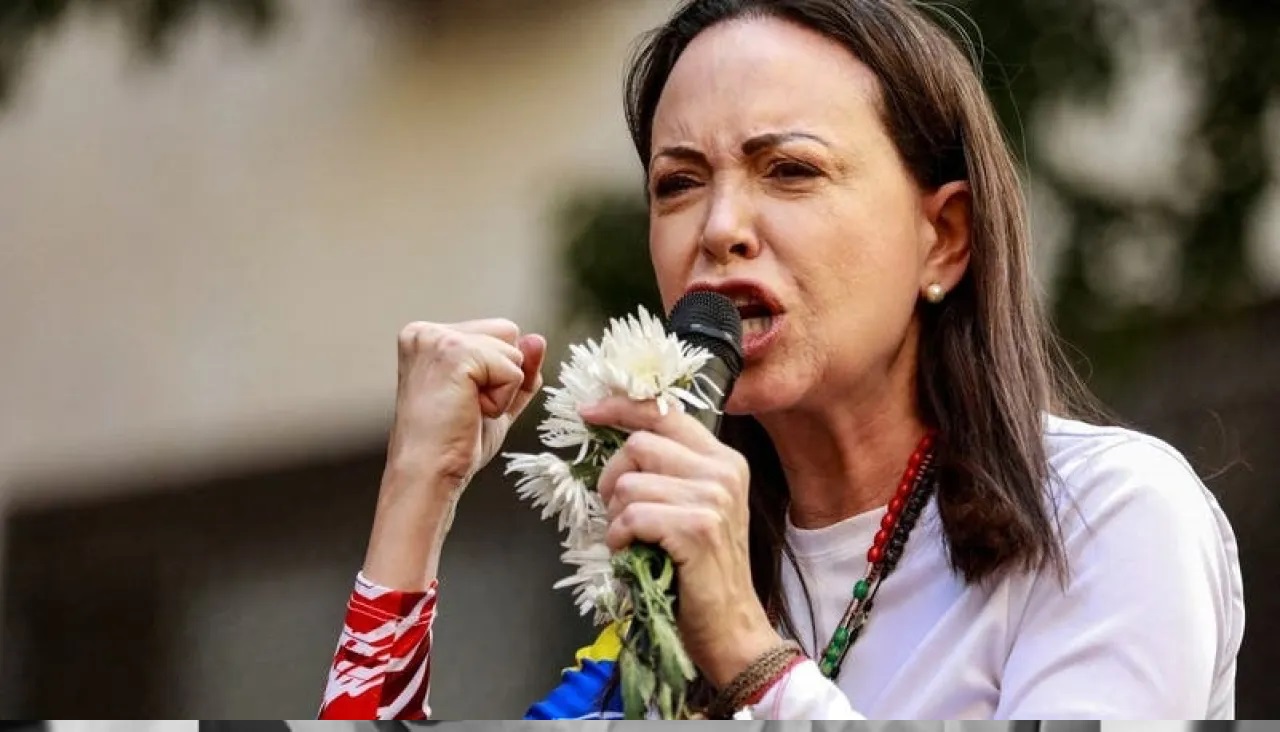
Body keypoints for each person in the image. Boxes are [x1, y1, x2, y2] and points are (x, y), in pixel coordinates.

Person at [318, 0, 1244, 720]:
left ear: (945, 237)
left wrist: (749, 654)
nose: (719, 228)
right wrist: (416, 495)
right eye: (679, 183)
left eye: (790, 170)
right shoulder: (669, 590)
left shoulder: (1107, 516)